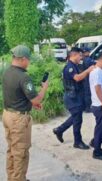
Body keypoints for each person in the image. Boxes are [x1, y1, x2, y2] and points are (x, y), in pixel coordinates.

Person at [2, 45, 49, 181]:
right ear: (23, 59)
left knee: (12, 150)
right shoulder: (23, 77)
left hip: (7, 115)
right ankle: (18, 179)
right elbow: (37, 98)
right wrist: (44, 88)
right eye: (28, 59)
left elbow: (17, 95)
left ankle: (13, 177)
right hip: (18, 119)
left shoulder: (7, 72)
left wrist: (30, 104)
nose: (29, 62)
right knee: (20, 152)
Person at [53, 47, 94, 149]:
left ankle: (59, 130)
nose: (81, 58)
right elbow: (77, 78)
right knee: (77, 120)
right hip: (72, 98)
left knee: (76, 117)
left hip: (76, 97)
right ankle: (77, 142)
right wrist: (88, 70)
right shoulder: (69, 67)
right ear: (74, 55)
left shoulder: (75, 65)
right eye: (80, 55)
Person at [78, 47, 95, 112]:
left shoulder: (81, 60)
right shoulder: (88, 60)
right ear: (87, 52)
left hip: (81, 77)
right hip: (87, 78)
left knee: (83, 93)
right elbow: (94, 66)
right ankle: (88, 108)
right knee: (87, 93)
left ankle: (83, 107)